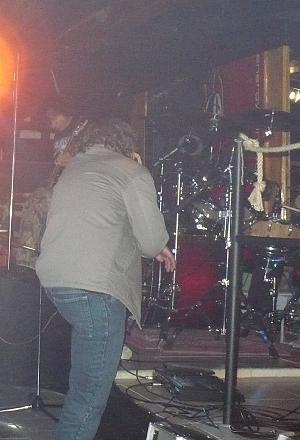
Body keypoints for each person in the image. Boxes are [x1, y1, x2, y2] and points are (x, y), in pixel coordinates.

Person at [35, 118, 175, 440]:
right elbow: (151, 240)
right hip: (95, 289)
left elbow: (99, 220)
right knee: (88, 398)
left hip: (59, 281)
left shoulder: (75, 168)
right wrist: (157, 246)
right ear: (127, 143)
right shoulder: (131, 171)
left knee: (83, 387)